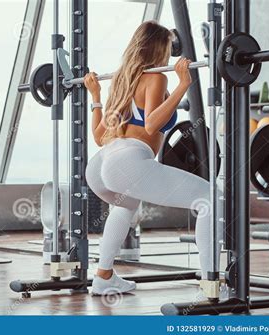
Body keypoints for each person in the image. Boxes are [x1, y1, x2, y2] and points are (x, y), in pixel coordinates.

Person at [84, 21, 222, 295]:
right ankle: (211, 285)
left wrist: (96, 97)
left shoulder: (124, 80)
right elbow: (151, 125)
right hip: (129, 161)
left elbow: (100, 137)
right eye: (169, 47)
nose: (171, 52)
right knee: (210, 200)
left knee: (125, 206)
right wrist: (183, 84)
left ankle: (103, 276)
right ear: (160, 47)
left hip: (101, 165)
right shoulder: (157, 77)